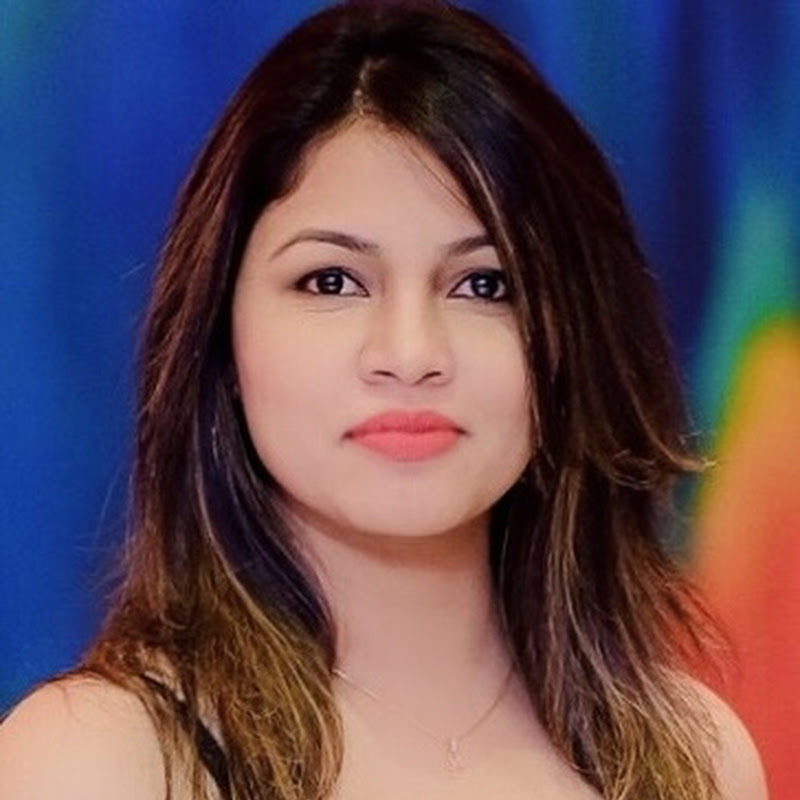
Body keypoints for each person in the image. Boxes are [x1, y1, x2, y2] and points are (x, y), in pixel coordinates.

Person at [0, 2, 767, 798]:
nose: (410, 355)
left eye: (484, 285)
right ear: (220, 334)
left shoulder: (697, 763)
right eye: (332, 281)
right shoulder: (97, 761)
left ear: (573, 341)